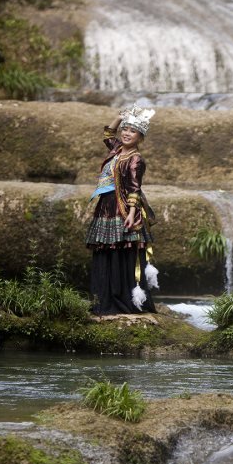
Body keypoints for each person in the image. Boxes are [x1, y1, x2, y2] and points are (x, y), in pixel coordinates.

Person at [86, 106, 159, 315]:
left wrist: (132, 213)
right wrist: (119, 118)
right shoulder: (117, 149)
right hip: (106, 207)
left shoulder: (136, 159)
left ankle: (121, 297)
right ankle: (104, 297)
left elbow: (135, 188)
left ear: (140, 137)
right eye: (125, 129)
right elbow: (108, 135)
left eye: (132, 131)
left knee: (122, 250)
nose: (126, 133)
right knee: (105, 249)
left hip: (124, 208)